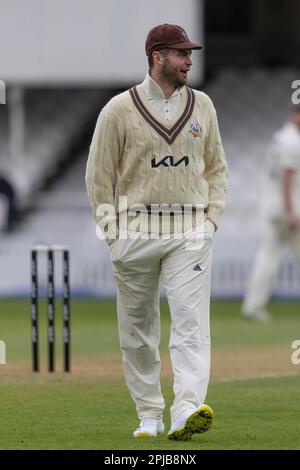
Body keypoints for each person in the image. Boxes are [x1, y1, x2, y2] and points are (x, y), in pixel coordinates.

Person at [86, 24, 228, 441]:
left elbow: (216, 168)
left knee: (190, 322)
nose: (189, 61)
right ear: (157, 56)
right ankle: (149, 414)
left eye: (190, 54)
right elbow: (97, 175)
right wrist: (111, 232)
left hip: (189, 231)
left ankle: (186, 410)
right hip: (135, 231)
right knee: (138, 330)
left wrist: (211, 220)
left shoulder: (202, 105)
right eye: (182, 54)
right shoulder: (118, 109)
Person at [242, 105, 300, 322]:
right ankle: (253, 306)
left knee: (267, 257)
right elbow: (287, 175)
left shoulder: (280, 137)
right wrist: (290, 211)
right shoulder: (293, 141)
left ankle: (252, 306)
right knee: (270, 256)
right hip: (288, 210)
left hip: (272, 208)